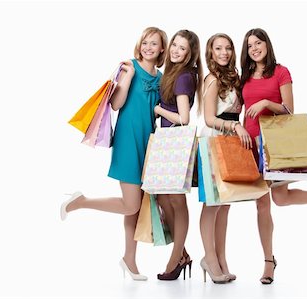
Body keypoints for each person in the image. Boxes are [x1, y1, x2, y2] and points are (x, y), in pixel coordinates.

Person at [240, 28, 307, 284]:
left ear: (267, 44)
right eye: (250, 45)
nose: (254, 48)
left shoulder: (280, 71)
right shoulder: (244, 76)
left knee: (280, 198)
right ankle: (269, 262)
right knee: (262, 203)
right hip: (250, 145)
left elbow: (289, 109)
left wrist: (266, 103)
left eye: (259, 43)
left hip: (276, 144)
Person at [60, 27, 168, 281]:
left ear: (162, 49)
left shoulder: (162, 78)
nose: (148, 47)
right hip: (128, 142)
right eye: (145, 42)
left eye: (154, 44)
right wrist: (128, 76)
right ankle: (81, 201)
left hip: (149, 143)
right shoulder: (129, 66)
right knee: (130, 204)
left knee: (136, 207)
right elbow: (117, 104)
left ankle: (129, 260)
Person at [198, 33, 252, 284]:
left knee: (225, 205)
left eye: (228, 48)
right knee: (212, 204)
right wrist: (235, 128)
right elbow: (209, 118)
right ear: (210, 52)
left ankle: (222, 259)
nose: (224, 52)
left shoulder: (234, 78)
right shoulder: (211, 79)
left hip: (230, 142)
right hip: (212, 141)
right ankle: (209, 259)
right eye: (218, 48)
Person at [153, 29, 203, 281]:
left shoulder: (184, 76)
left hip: (176, 141)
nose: (175, 50)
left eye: (182, 48)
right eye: (174, 44)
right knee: (162, 199)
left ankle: (176, 259)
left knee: (176, 201)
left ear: (190, 53)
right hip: (166, 142)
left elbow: (184, 118)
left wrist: (159, 109)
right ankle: (181, 253)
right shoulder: (175, 73)